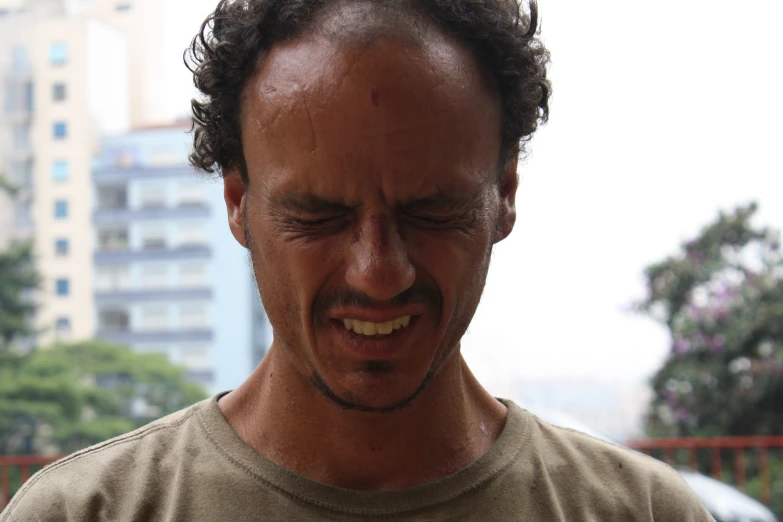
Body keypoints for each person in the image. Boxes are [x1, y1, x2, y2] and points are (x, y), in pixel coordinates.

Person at [1, 0, 715, 520]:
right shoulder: (84, 513)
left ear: (504, 198)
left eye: (432, 212)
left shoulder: (643, 513)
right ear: (237, 204)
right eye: (316, 217)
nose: (378, 272)